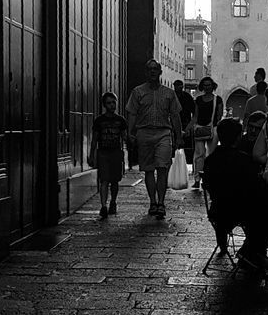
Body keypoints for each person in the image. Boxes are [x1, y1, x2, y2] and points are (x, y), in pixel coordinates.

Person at [203, 118, 268, 277]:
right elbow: (257, 190)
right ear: (238, 137)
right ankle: (250, 253)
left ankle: (252, 257)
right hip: (242, 212)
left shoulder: (210, 160)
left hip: (219, 210)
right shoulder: (244, 161)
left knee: (263, 214)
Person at [124, 58, 183, 218]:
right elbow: (132, 113)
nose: (152, 72)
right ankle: (152, 202)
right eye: (149, 69)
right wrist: (130, 132)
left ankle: (161, 203)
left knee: (162, 168)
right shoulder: (138, 92)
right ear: (146, 72)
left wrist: (179, 136)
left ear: (159, 72)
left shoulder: (169, 93)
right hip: (144, 133)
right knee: (149, 170)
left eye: (155, 69)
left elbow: (175, 116)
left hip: (163, 133)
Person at [88, 91, 128, 219]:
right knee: (104, 180)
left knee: (115, 181)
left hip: (116, 152)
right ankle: (104, 206)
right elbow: (94, 139)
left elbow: (124, 137)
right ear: (105, 105)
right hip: (103, 153)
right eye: (109, 103)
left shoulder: (121, 120)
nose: (112, 105)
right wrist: (91, 155)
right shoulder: (99, 121)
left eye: (113, 102)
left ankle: (113, 201)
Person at [191, 75, 223, 189]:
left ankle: (209, 178)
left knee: (211, 155)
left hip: (213, 128)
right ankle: (197, 179)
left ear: (212, 86)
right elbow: (195, 115)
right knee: (199, 155)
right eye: (205, 85)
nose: (207, 87)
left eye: (209, 85)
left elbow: (219, 116)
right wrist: (190, 127)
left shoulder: (217, 99)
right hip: (200, 128)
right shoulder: (198, 99)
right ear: (202, 87)